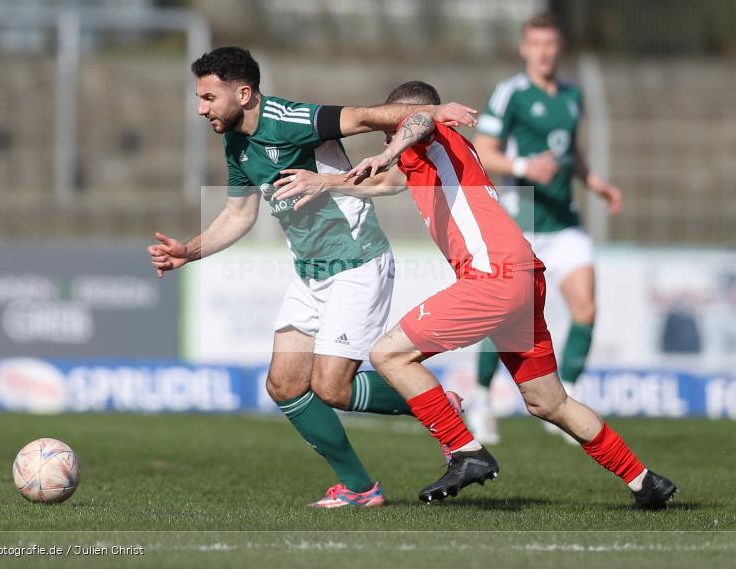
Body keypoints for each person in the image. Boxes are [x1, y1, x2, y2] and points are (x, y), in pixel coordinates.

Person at [276, 80, 675, 509]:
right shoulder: (429, 155)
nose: (388, 135)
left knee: (389, 354)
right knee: (548, 401)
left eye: (390, 128)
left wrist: (391, 148)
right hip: (522, 273)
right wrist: (325, 183)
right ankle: (644, 481)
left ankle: (466, 451)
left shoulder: (430, 132)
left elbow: (418, 120)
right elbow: (386, 184)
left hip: (493, 276)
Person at [147, 48, 476, 508]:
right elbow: (239, 214)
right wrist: (190, 250)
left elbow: (363, 117)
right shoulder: (236, 142)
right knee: (283, 385)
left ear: (243, 94)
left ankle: (439, 405)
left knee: (332, 388)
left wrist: (434, 111)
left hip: (356, 264)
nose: (201, 108)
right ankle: (361, 489)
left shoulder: (289, 118)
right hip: (310, 273)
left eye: (208, 97)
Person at [469, 14, 623, 444]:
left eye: (550, 43)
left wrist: (596, 184)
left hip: (566, 220)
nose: (543, 51)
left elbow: (569, 150)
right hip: (525, 218)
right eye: (535, 43)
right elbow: (484, 149)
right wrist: (523, 166)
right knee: (503, 316)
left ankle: (567, 398)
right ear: (524, 47)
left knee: (586, 309)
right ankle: (481, 401)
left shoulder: (573, 96)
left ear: (560, 47)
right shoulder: (512, 93)